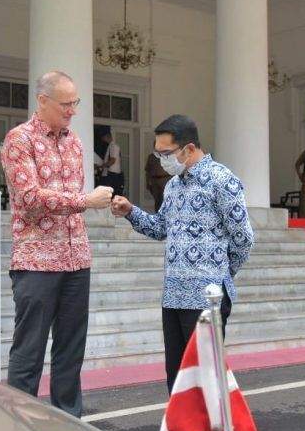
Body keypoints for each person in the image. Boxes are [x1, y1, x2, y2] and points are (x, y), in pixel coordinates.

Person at [110, 114, 254, 392]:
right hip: (173, 295)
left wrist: (221, 274)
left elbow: (243, 238)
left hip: (206, 298)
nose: (162, 160)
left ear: (188, 149)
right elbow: (161, 227)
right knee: (178, 380)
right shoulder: (174, 185)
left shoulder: (222, 181)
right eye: (158, 153)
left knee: (206, 378)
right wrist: (131, 212)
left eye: (166, 153)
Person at [0, 70, 114, 417]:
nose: (72, 110)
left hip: (76, 258)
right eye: (65, 104)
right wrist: (85, 202)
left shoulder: (75, 143)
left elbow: (71, 194)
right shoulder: (19, 140)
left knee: (70, 348)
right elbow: (30, 199)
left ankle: (69, 421)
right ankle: (19, 423)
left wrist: (93, 201)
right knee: (29, 350)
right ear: (43, 101)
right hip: (36, 261)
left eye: (74, 103)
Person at [144, 141, 171, 212]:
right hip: (154, 181)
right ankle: (157, 216)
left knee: (164, 199)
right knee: (157, 200)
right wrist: (147, 182)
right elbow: (147, 171)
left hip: (165, 179)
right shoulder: (151, 156)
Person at [98, 129, 124, 197]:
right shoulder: (111, 146)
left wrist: (102, 166)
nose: (102, 139)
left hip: (113, 175)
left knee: (112, 195)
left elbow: (112, 160)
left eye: (103, 137)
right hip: (112, 174)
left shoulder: (113, 146)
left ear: (107, 136)